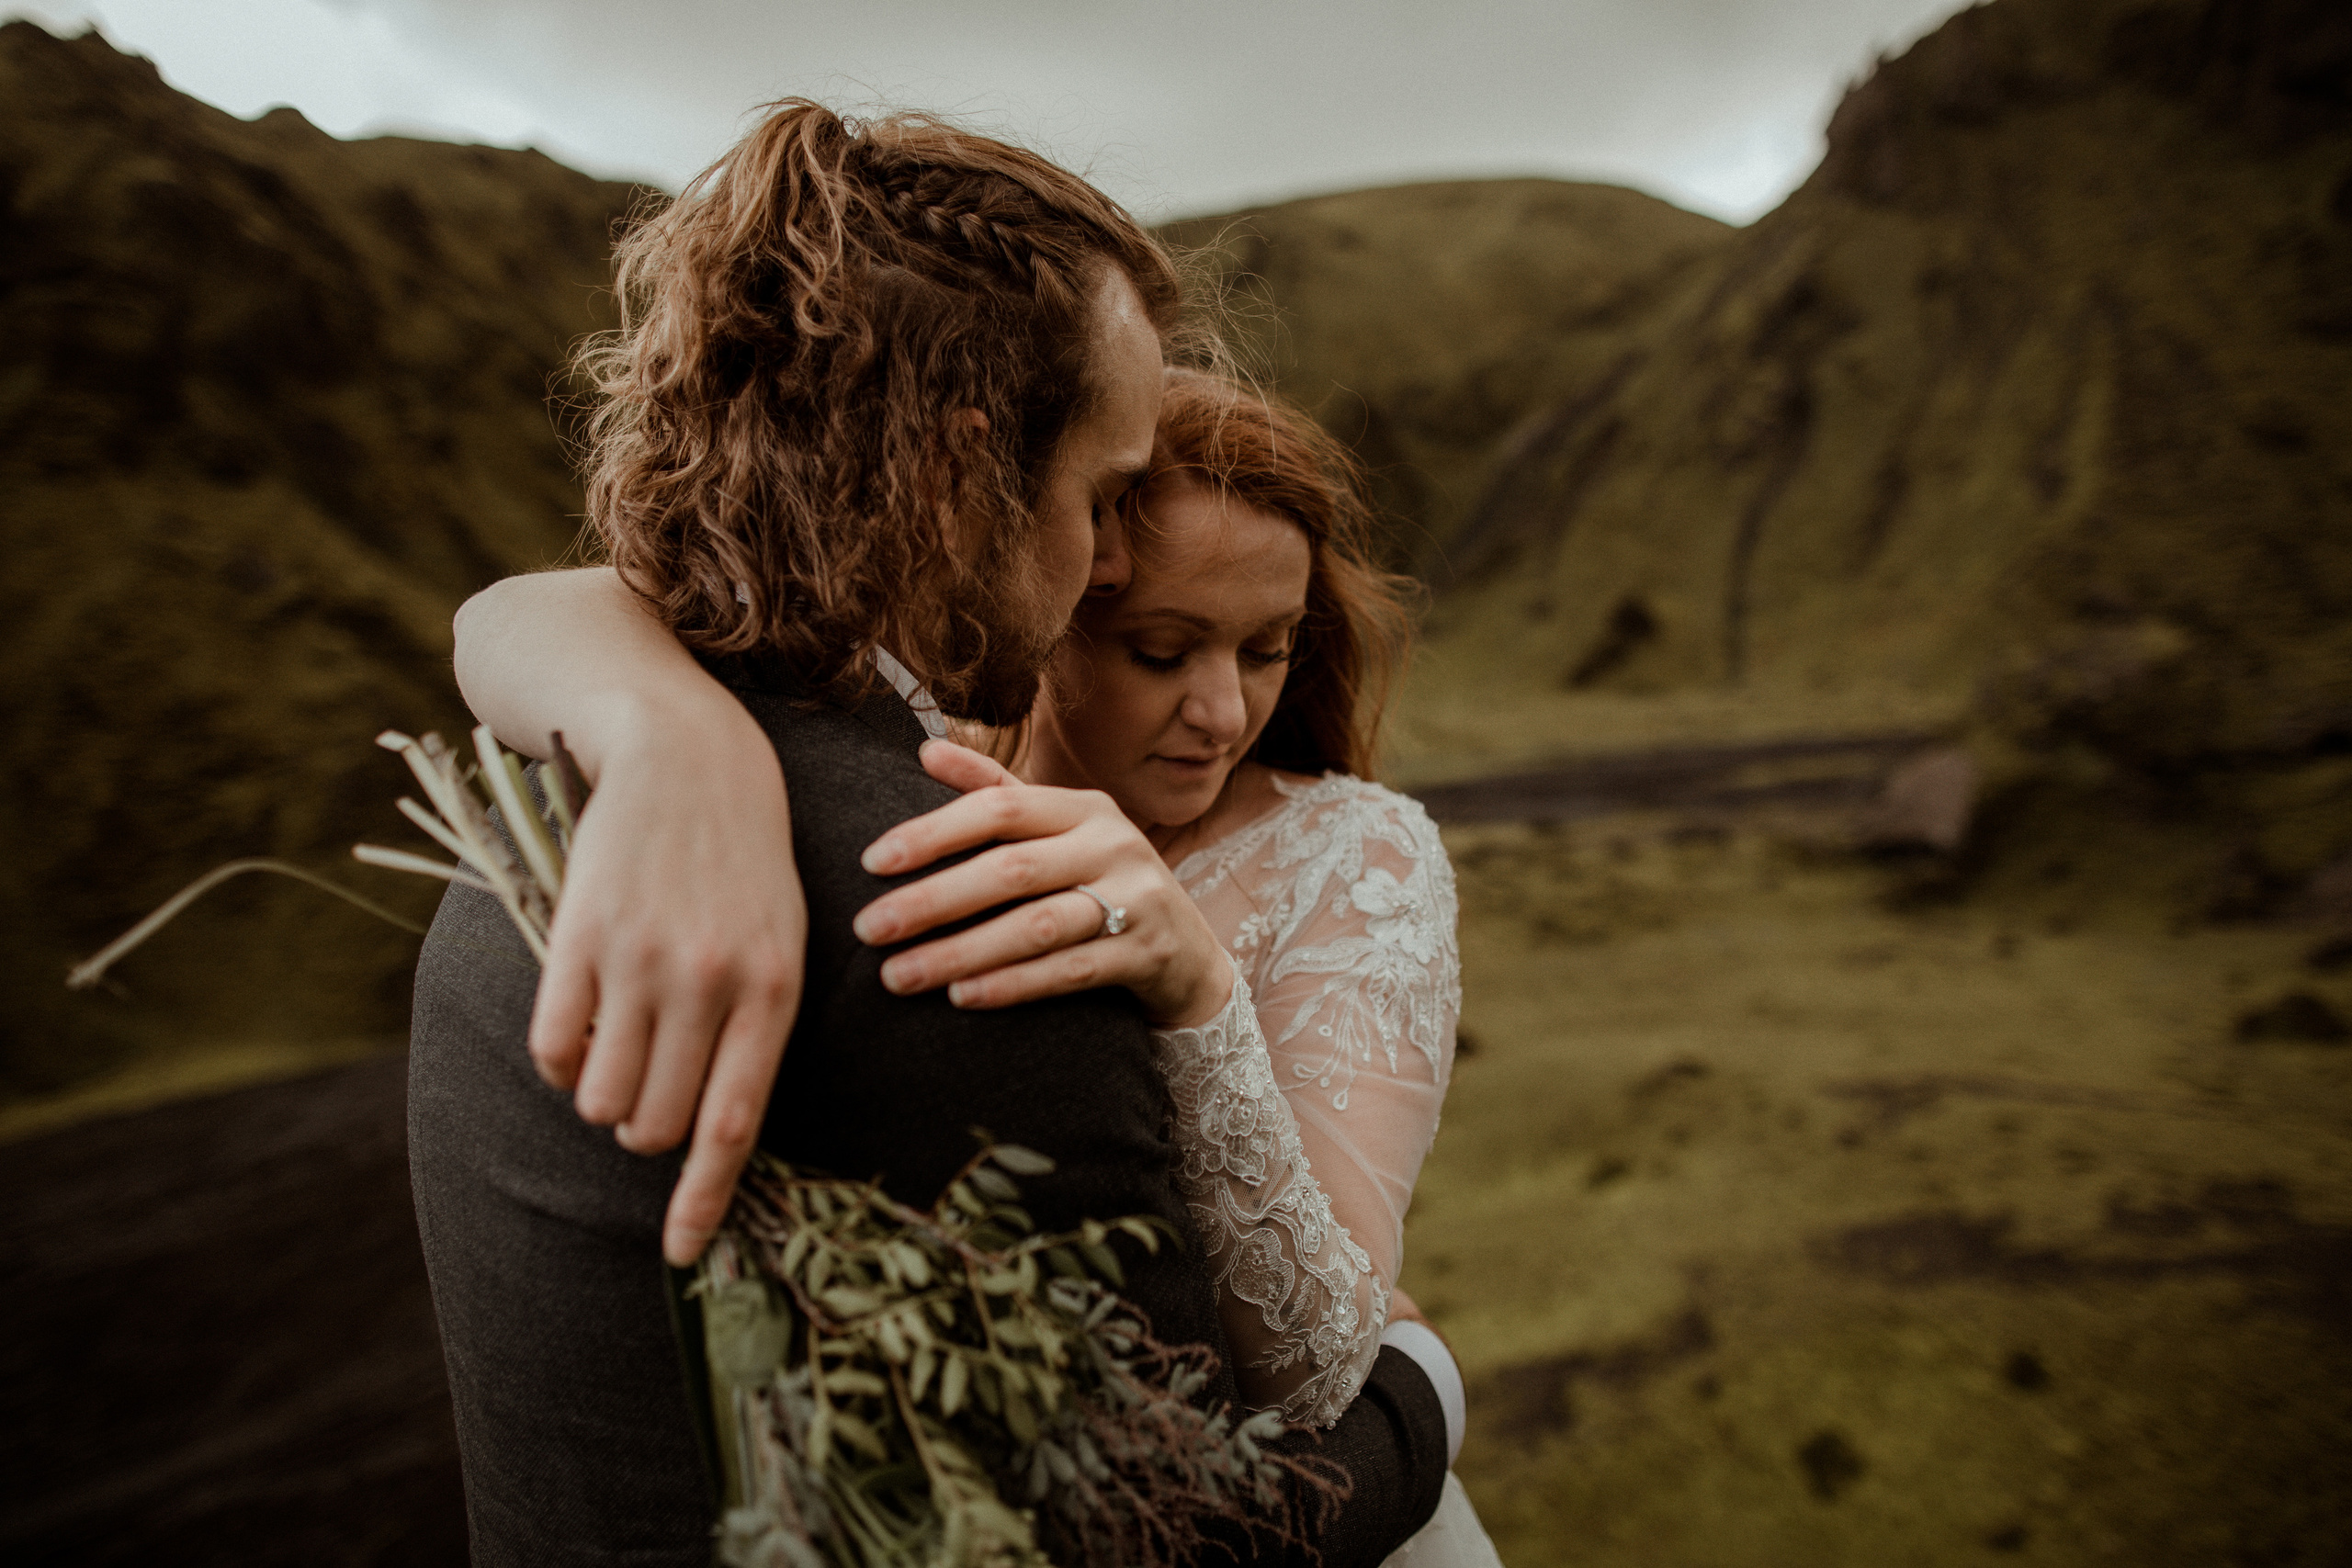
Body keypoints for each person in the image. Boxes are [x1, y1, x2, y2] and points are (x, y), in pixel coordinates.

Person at [406, 100, 1454, 1567]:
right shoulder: (972, 920)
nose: (1100, 553)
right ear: (969, 470)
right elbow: (1182, 1538)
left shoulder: (518, 818)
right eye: (1098, 499)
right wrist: (1427, 1389)